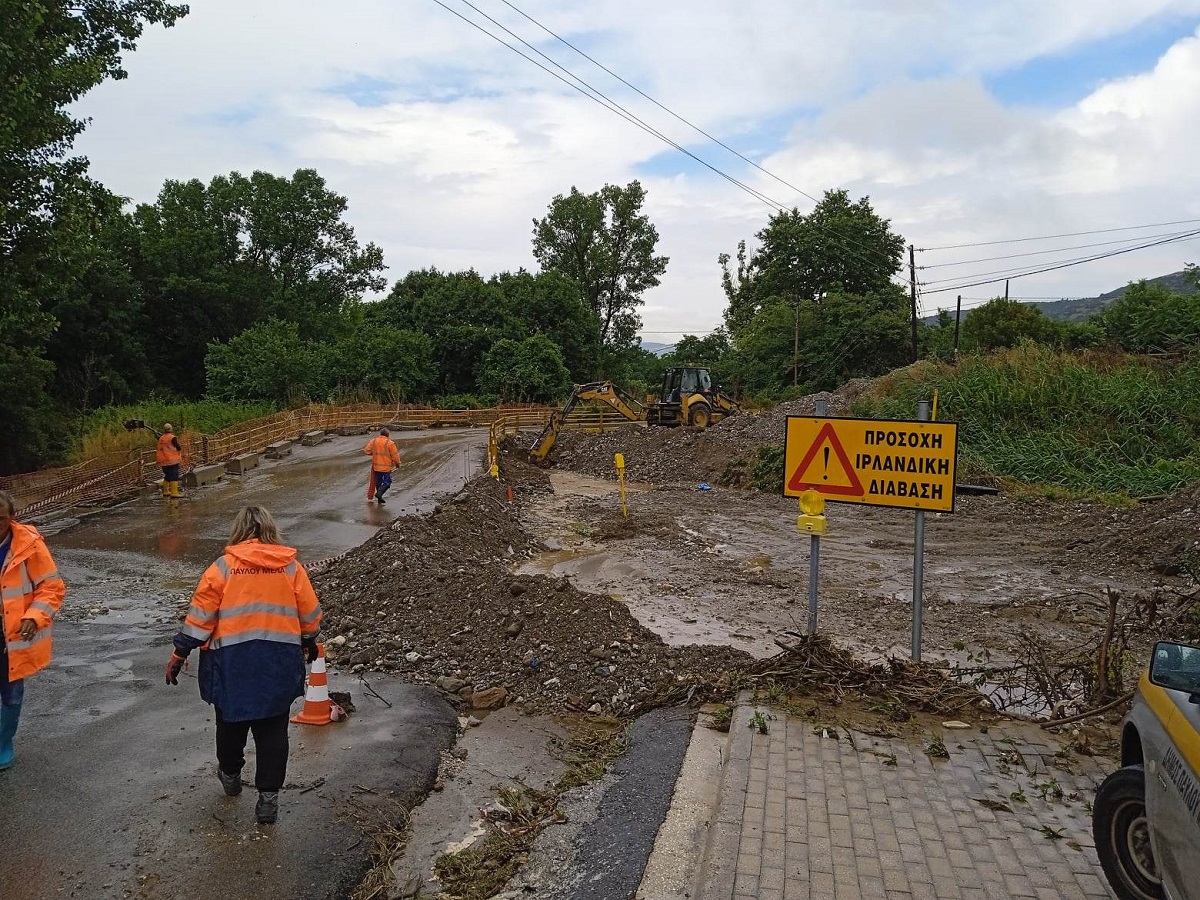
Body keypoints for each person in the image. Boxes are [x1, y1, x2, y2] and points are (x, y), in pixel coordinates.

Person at [165, 506, 322, 824]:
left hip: (231, 663)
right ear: (271, 529)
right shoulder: (290, 568)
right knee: (273, 730)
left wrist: (180, 652)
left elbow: (200, 619)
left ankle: (230, 775)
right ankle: (268, 800)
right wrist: (309, 642)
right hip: (278, 662)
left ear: (238, 531)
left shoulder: (222, 568)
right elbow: (309, 615)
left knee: (230, 725)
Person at [0, 489, 66, 770]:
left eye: (0, 519)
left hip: (12, 636)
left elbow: (52, 587)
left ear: (12, 517)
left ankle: (3, 743)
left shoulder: (29, 545)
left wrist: (35, 616)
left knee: (11, 694)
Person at [364, 427, 401, 504]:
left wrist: (374, 452)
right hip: (386, 467)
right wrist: (397, 464)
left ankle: (379, 498)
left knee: (378, 482)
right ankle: (379, 494)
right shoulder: (390, 443)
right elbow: (395, 456)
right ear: (388, 435)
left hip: (376, 466)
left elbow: (367, 451)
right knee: (387, 482)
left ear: (380, 434)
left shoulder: (373, 441)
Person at [153, 423, 184, 499]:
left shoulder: (161, 438)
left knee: (168, 475)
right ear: (171, 429)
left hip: (163, 461)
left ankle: (166, 491)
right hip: (172, 460)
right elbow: (178, 447)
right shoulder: (172, 437)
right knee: (174, 476)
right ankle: (174, 493)